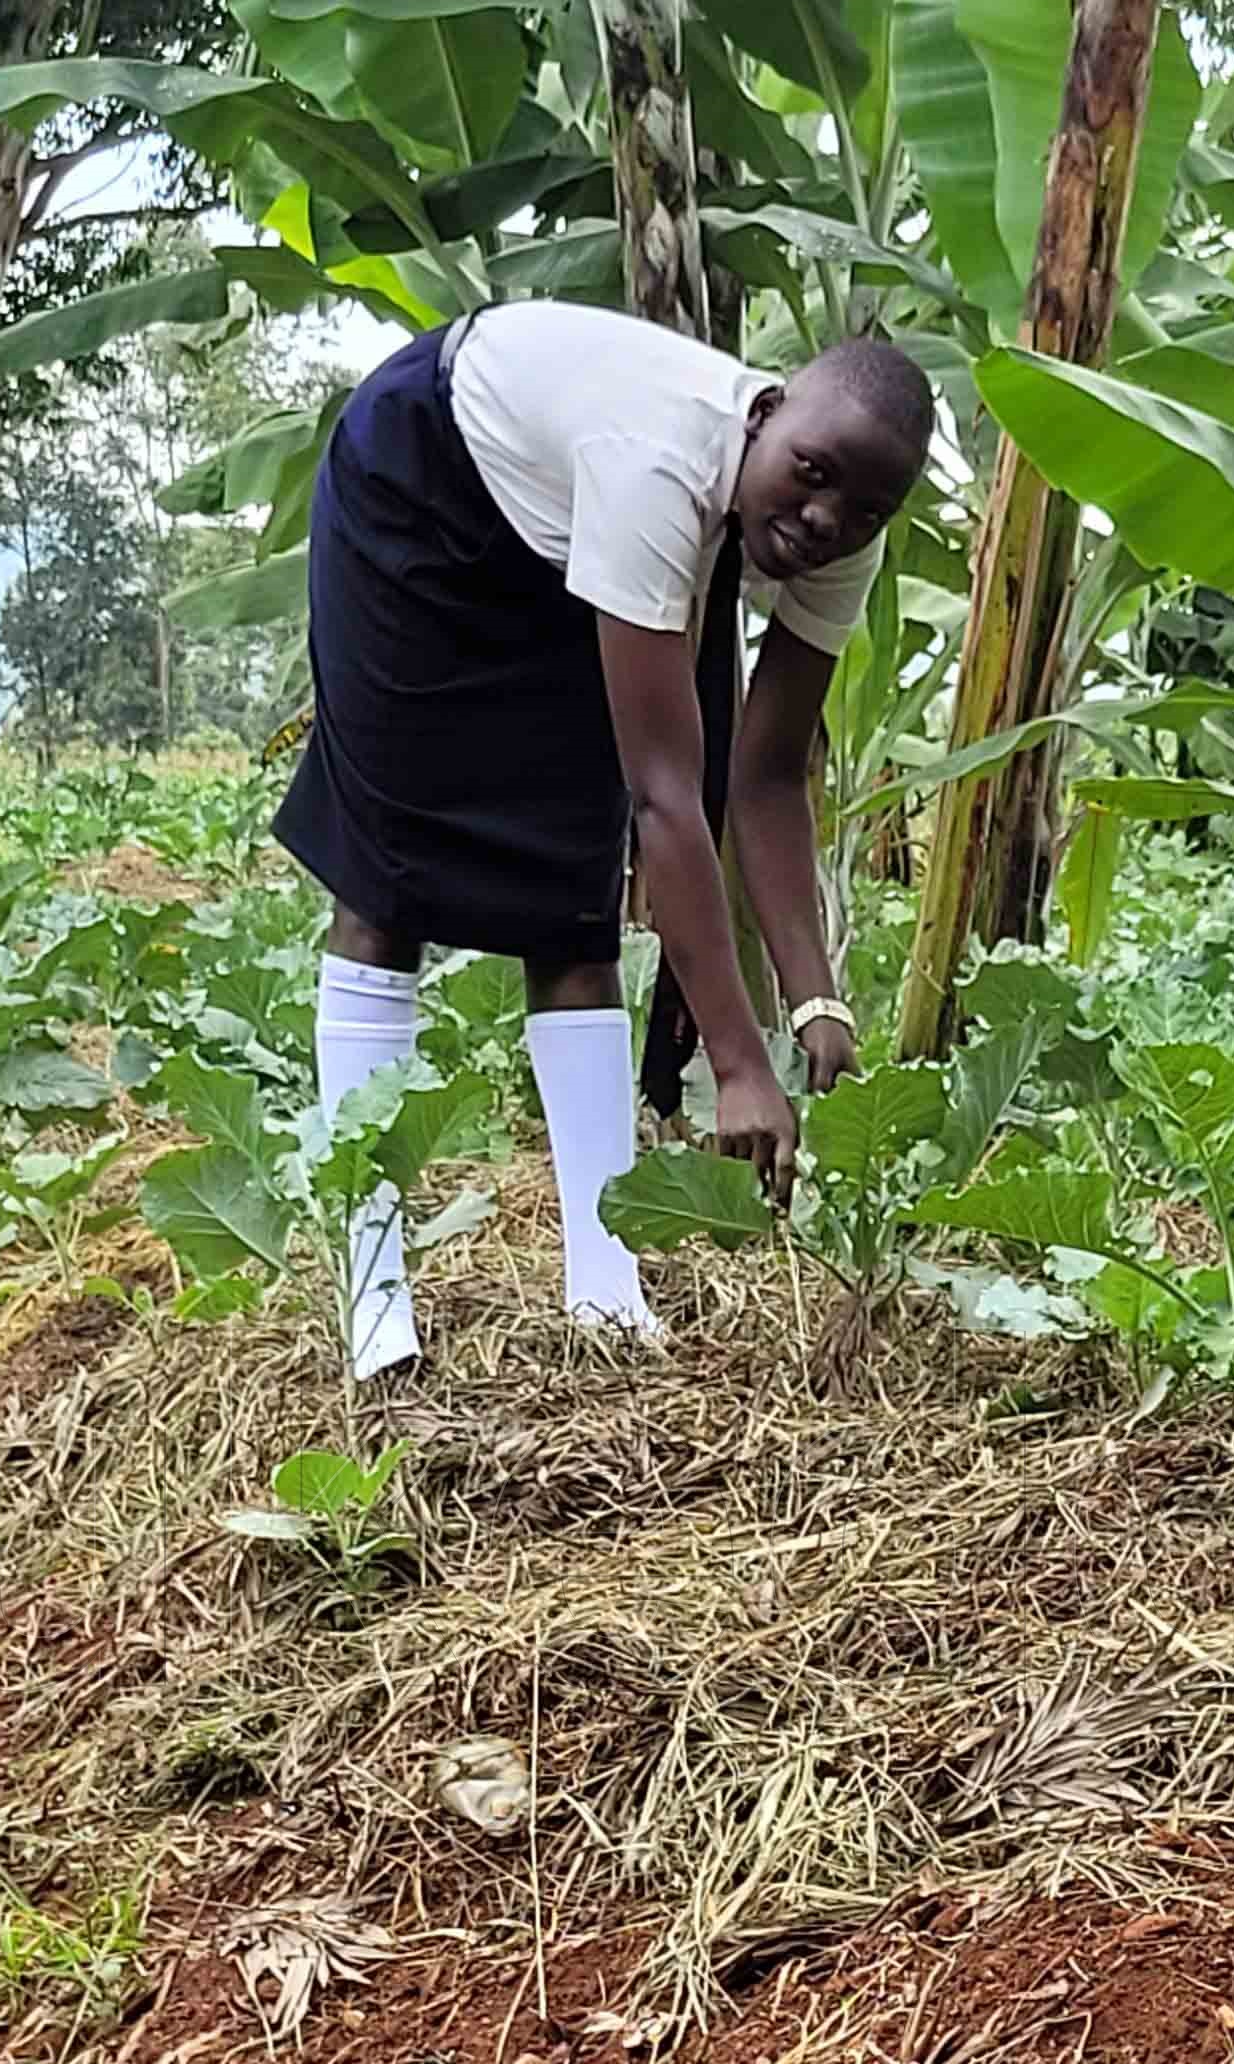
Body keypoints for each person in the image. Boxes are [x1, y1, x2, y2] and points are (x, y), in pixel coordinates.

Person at [274, 299, 933, 1375]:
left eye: (863, 509)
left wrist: (815, 1002)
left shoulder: (838, 540)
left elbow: (764, 777)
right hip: (424, 482)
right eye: (811, 472)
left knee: (573, 907)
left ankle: (606, 1291)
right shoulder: (657, 469)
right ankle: (374, 1293)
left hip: (557, 535)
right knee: (382, 889)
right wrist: (737, 1064)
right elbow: (670, 797)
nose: (826, 519)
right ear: (765, 417)